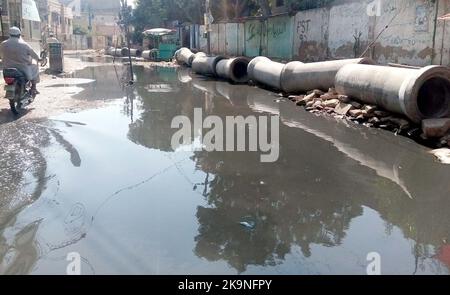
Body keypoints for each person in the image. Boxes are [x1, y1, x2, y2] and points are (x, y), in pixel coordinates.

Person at [0, 27, 41, 95]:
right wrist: (38, 59)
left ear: (9, 34)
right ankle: (33, 87)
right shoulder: (24, 44)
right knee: (35, 67)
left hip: (7, 69)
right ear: (19, 35)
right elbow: (33, 54)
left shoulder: (3, 44)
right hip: (23, 68)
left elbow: (1, 56)